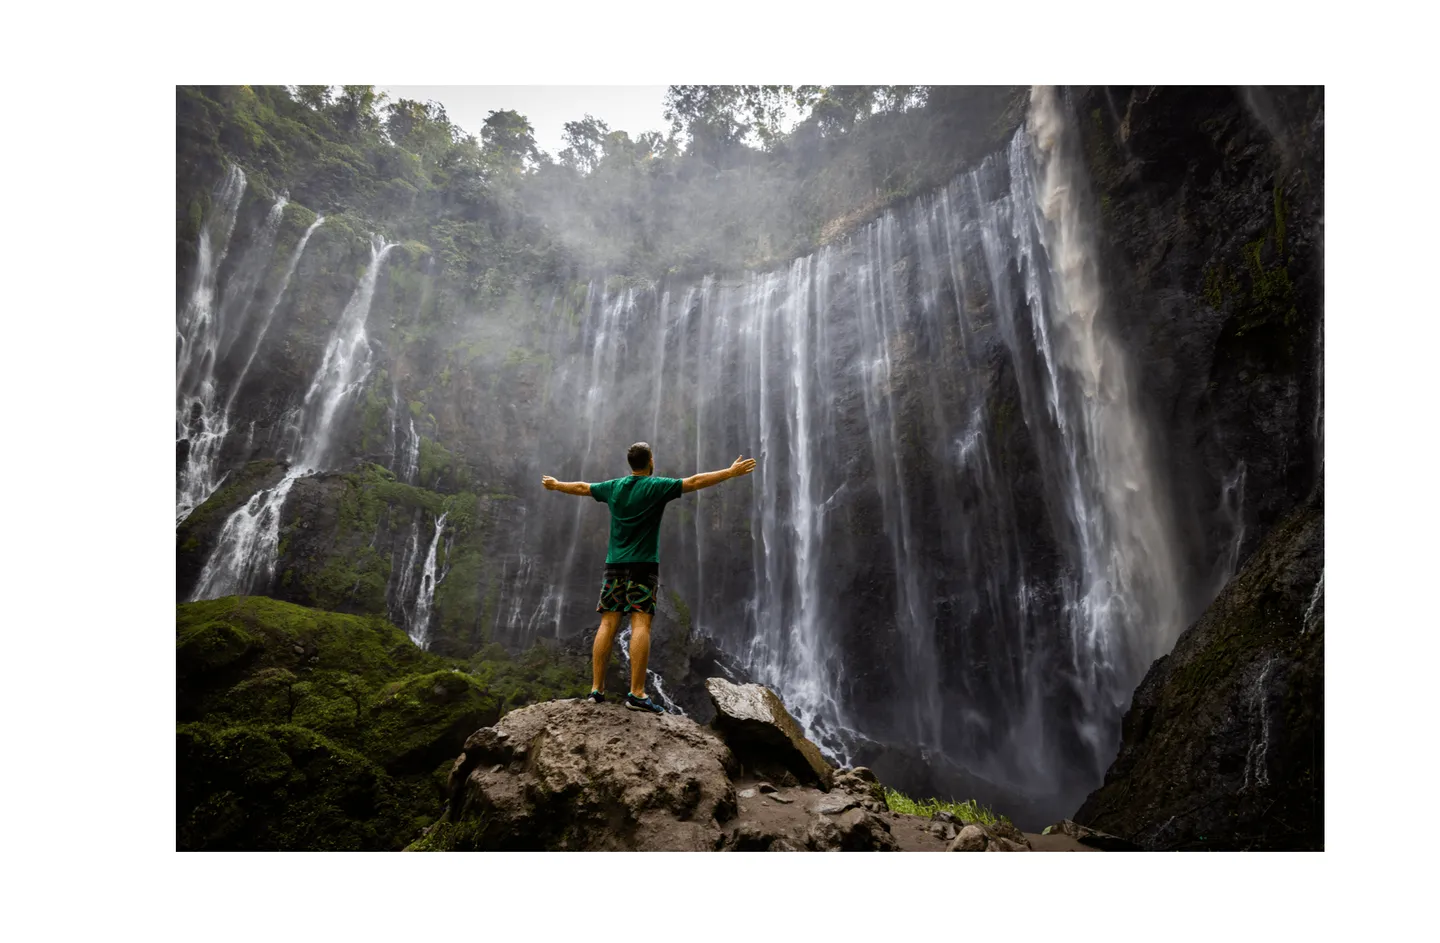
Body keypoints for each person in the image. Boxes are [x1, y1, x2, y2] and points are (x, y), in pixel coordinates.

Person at [541, 442, 757, 714]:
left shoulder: (614, 487)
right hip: (643, 566)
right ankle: (637, 693)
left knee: (608, 623)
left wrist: (557, 484)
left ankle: (596, 690)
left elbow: (583, 487)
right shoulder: (656, 486)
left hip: (614, 565)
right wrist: (730, 472)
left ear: (630, 463)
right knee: (641, 623)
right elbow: (694, 481)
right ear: (650, 461)